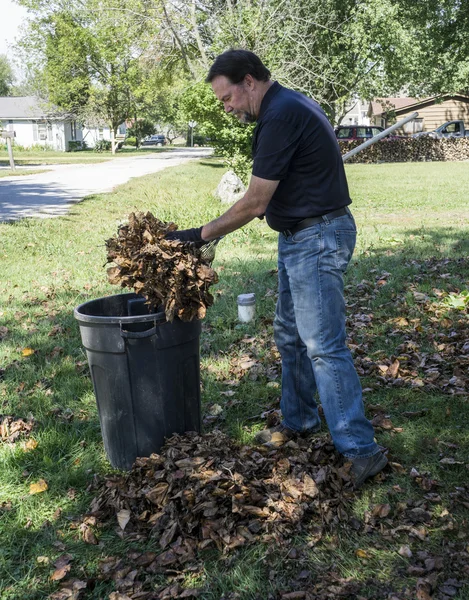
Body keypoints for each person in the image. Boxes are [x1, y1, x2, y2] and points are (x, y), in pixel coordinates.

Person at [166, 49, 387, 488]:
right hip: (300, 237)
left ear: (249, 81)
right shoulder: (288, 105)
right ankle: (300, 420)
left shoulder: (281, 114)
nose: (226, 108)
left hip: (318, 237)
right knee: (290, 334)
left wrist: (196, 236)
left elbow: (254, 202)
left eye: (227, 98)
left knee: (323, 345)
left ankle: (362, 450)